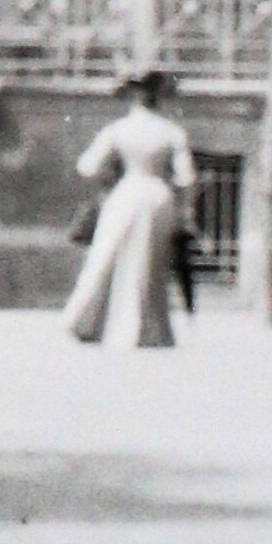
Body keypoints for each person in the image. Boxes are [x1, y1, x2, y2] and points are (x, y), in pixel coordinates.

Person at [64, 68, 197, 349]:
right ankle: (145, 330)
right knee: (149, 263)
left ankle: (89, 321)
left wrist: (110, 173)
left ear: (132, 97)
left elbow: (87, 166)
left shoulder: (117, 130)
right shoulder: (172, 132)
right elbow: (186, 177)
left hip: (126, 194)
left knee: (107, 257)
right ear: (160, 97)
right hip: (158, 197)